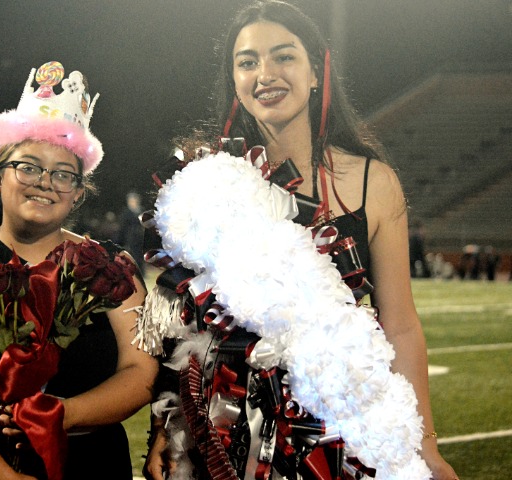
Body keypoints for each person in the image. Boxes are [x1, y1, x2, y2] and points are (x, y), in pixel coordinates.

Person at [139, 2, 458, 479]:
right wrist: (167, 428)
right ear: (234, 82)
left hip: (331, 428)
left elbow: (401, 325)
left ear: (315, 72)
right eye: (247, 62)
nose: (265, 74)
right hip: (222, 430)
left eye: (283, 56)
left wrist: (425, 445)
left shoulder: (374, 183)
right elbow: (181, 326)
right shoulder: (205, 181)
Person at [0, 61, 158, 479]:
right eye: (28, 166)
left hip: (84, 463)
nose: (44, 182)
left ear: (78, 194)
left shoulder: (114, 270)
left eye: (63, 174)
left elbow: (142, 372)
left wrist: (63, 414)